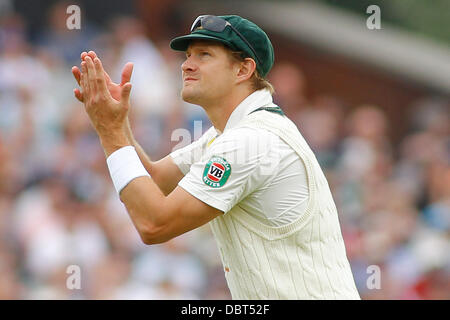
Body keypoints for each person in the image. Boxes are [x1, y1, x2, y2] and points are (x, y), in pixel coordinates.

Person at [71, 14, 360, 299]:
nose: (186, 65)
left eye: (204, 55)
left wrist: (110, 130)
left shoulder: (249, 140)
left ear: (243, 70)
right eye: (187, 55)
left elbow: (154, 224)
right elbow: (155, 181)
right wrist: (115, 123)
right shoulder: (232, 132)